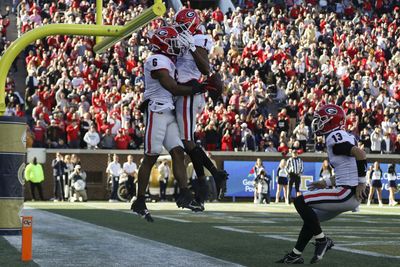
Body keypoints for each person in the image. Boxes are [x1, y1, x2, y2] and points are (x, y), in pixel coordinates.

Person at [131, 26, 212, 222]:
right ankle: (140, 200)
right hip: (156, 110)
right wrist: (197, 88)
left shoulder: (169, 60)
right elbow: (172, 87)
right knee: (151, 157)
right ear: (163, 44)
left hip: (168, 112)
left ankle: (185, 194)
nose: (176, 45)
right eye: (172, 42)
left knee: (178, 151)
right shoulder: (155, 60)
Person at [277, 104, 367, 264]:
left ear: (332, 121)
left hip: (346, 193)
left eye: (322, 120)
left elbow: (360, 153)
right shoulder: (346, 136)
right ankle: (295, 254)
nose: (317, 123)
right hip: (348, 193)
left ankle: (322, 240)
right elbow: (347, 169)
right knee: (311, 220)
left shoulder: (334, 136)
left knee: (299, 201)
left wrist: (361, 183)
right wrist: (324, 182)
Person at [174, 8, 228, 209]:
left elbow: (206, 69)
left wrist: (191, 48)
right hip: (180, 92)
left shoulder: (200, 39)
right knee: (188, 143)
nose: (179, 29)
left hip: (190, 91)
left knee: (188, 142)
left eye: (183, 25)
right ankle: (203, 190)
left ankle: (214, 176)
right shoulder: (179, 37)